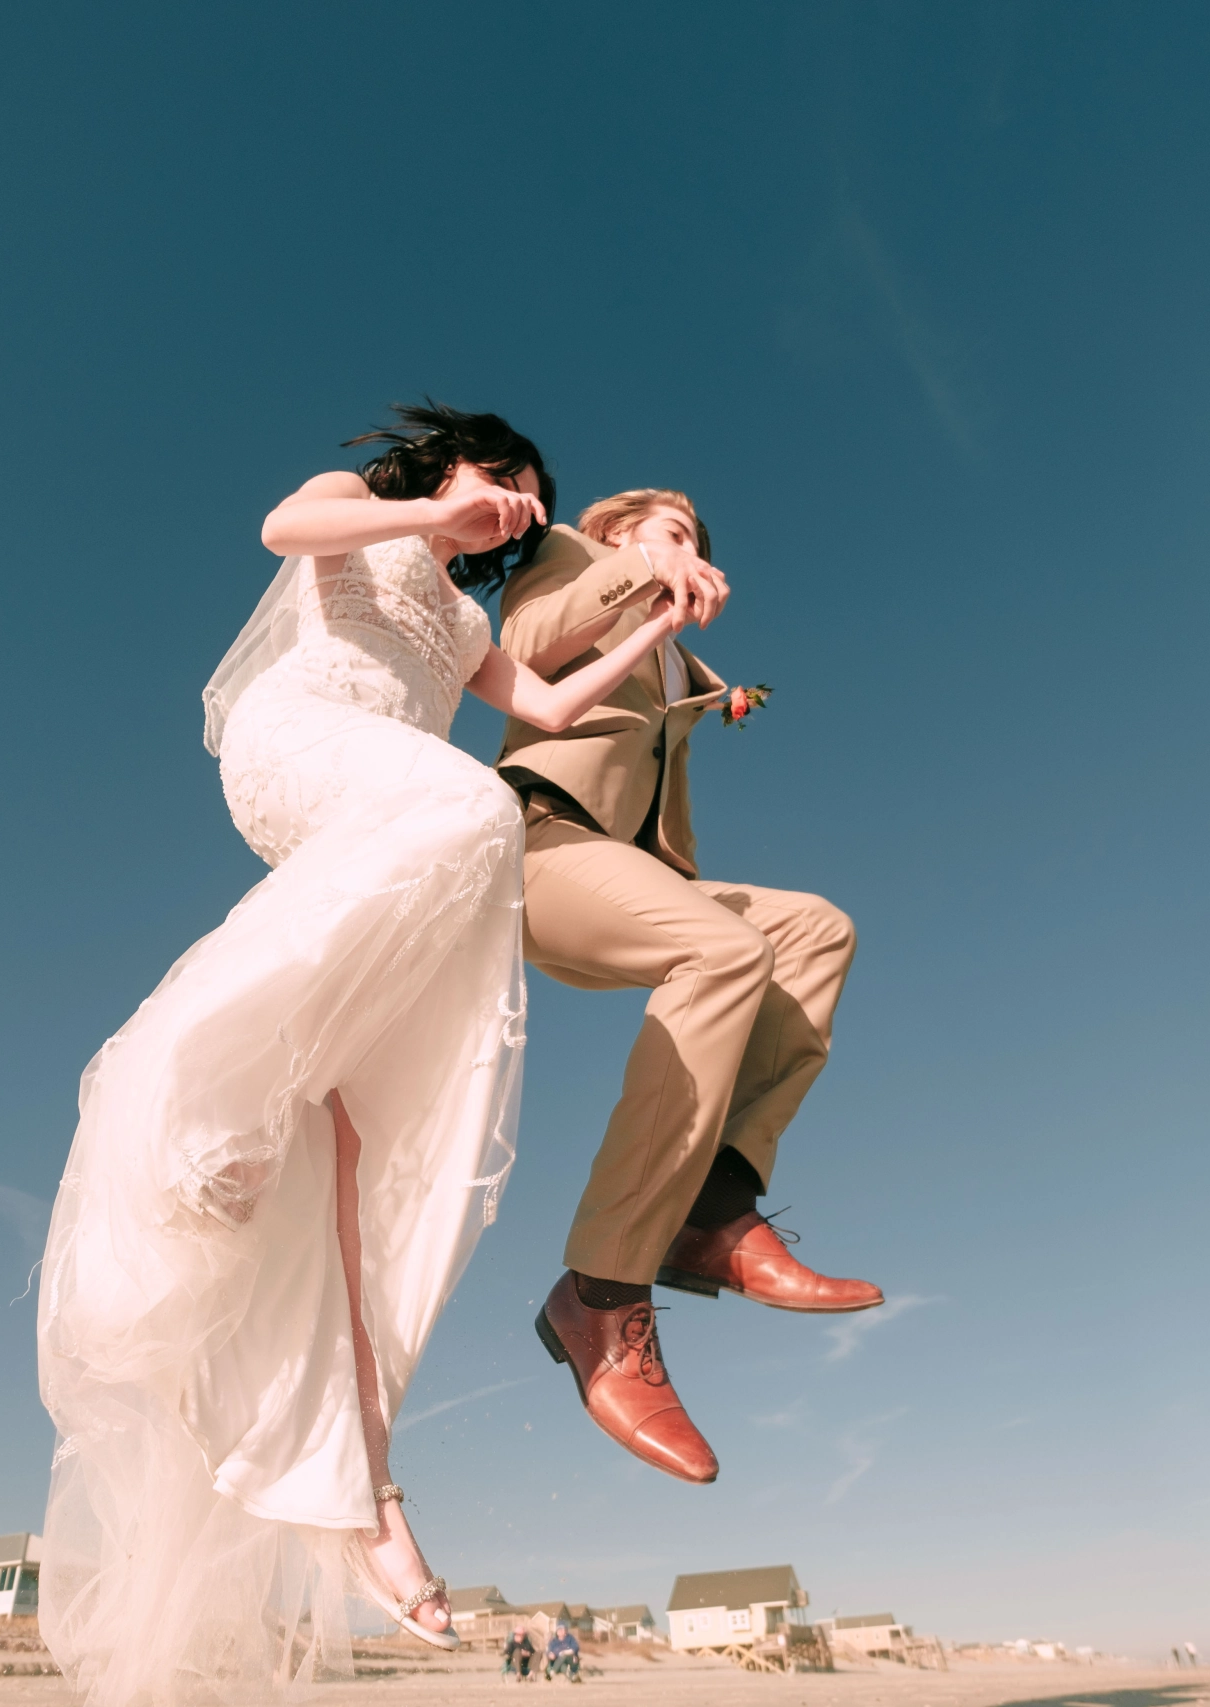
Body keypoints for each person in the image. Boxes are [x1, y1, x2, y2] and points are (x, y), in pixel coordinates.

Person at [36, 404, 691, 1701]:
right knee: (474, 806)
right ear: (454, 463)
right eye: (505, 480)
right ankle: (209, 1093)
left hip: (387, 813)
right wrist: (431, 513)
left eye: (524, 501)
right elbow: (283, 528)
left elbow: (549, 701)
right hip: (308, 744)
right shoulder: (364, 511)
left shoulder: (463, 618)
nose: (510, 508)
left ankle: (361, 1486)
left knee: (349, 1144)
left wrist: (658, 623)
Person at [494, 488, 881, 1481]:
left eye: (696, 542)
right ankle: (600, 1291)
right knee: (726, 952)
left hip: (630, 875)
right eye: (674, 532)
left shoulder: (682, 659)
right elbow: (524, 646)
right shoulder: (573, 556)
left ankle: (712, 1208)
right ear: (619, 532)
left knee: (813, 929)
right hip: (540, 848)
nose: (691, 549)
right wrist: (639, 569)